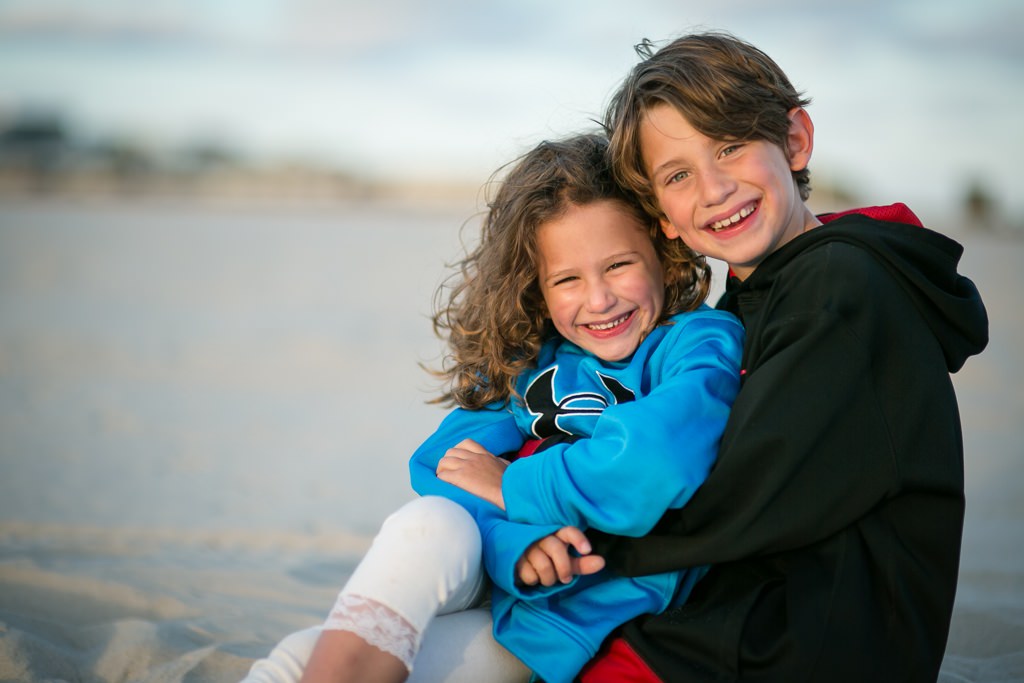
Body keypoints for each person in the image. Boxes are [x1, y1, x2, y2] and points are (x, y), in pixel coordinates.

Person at [560, 31, 989, 682]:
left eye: (730, 145)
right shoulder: (745, 304)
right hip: (728, 617)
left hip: (800, 644)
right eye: (678, 175)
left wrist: (537, 510)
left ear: (794, 140)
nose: (713, 188)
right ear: (663, 217)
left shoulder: (840, 286)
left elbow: (736, 492)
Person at [242, 133, 744, 683]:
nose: (599, 299)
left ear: (661, 253)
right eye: (568, 280)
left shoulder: (696, 342)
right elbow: (444, 466)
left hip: (561, 617)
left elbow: (656, 461)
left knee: (311, 656)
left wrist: (512, 485)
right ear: (536, 286)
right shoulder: (531, 357)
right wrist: (511, 542)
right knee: (424, 527)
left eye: (619, 265)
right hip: (494, 560)